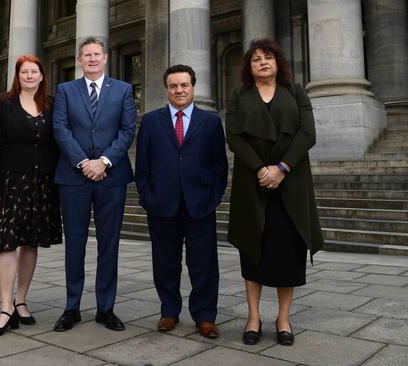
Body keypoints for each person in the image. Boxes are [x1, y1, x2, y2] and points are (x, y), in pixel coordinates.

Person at [225, 38, 324, 346]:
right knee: (252, 250)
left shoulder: (295, 92)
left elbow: (308, 133)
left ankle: (283, 318)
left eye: (268, 57)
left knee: (287, 253)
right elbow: (235, 137)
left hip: (290, 183)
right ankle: (253, 317)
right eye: (255, 59)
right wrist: (261, 169)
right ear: (248, 68)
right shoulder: (239, 95)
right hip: (252, 183)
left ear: (278, 62)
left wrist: (281, 168)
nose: (263, 62)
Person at [135, 65, 228, 338]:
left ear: (193, 87)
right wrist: (146, 195)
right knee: (165, 262)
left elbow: (219, 166)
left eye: (184, 85)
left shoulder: (210, 122)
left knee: (204, 264)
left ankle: (205, 316)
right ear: (167, 89)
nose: (179, 90)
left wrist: (213, 197)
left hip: (200, 204)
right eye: (173, 86)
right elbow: (143, 165)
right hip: (162, 204)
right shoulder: (151, 121)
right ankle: (169, 311)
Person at [52, 37, 136, 332]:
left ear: (105, 58)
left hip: (111, 177)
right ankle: (71, 307)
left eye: (96, 54)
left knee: (108, 243)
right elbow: (60, 129)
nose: (91, 59)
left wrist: (104, 162)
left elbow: (127, 130)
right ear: (79, 59)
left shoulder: (124, 90)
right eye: (86, 55)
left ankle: (106, 308)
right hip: (73, 177)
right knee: (75, 243)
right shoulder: (65, 90)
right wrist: (84, 163)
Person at [0, 55, 62, 337]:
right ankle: (5, 308)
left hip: (42, 184)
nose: (29, 76)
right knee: (7, 243)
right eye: (24, 72)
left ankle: (21, 300)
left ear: (42, 76)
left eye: (34, 71)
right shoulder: (3, 102)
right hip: (10, 183)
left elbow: (58, 144)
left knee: (31, 243)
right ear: (17, 76)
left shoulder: (52, 105)